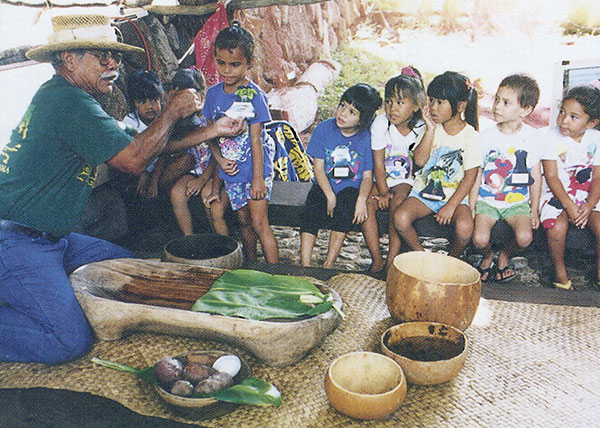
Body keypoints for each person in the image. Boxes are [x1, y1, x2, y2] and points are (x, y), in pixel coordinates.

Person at [0, 14, 243, 364]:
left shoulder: (69, 98)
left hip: (50, 237)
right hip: (16, 240)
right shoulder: (68, 103)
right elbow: (134, 159)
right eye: (101, 56)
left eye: (113, 56)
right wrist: (172, 111)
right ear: (69, 59)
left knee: (127, 269)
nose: (112, 63)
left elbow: (146, 144)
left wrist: (213, 130)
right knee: (69, 341)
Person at [202, 21, 279, 263]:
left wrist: (258, 179)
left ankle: (275, 274)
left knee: (259, 223)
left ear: (249, 64)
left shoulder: (255, 95)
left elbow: (256, 139)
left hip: (255, 171)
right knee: (244, 222)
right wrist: (220, 159)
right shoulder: (213, 95)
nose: (227, 70)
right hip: (232, 173)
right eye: (221, 63)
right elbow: (209, 134)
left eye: (235, 65)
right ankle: (252, 266)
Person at [394, 71, 481, 258]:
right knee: (400, 218)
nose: (433, 107)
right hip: (424, 192)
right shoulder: (431, 129)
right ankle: (423, 256)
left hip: (454, 195)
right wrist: (430, 130)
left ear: (460, 106)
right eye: (431, 100)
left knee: (465, 228)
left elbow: (470, 177)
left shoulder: (470, 136)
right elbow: (419, 161)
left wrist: (450, 206)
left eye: (440, 102)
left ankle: (451, 260)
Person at [299, 83, 382, 268]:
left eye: (352, 112)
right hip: (325, 184)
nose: (343, 113)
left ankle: (329, 263)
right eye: (343, 105)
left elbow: (368, 176)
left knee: (345, 211)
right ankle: (304, 264)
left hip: (351, 187)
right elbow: (318, 168)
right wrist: (329, 195)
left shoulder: (366, 137)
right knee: (311, 209)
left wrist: (362, 199)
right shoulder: (323, 129)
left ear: (363, 120)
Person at [362, 67, 434, 276]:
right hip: (383, 178)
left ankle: (392, 259)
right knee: (367, 204)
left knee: (397, 201)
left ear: (415, 106)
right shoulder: (380, 123)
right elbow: (378, 162)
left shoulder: (421, 126)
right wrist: (382, 191)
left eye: (400, 103)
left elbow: (419, 164)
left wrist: (389, 194)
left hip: (407, 180)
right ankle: (376, 259)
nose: (392, 108)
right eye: (389, 101)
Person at [471, 74, 543, 282]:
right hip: (488, 201)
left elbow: (535, 175)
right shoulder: (486, 136)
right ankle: (488, 255)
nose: (497, 106)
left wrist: (534, 209)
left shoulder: (531, 138)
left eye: (505, 102)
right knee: (479, 239)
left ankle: (505, 255)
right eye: (496, 99)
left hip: (517, 203)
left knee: (525, 237)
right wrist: (472, 203)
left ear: (525, 110)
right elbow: (477, 173)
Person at [540, 85, 600, 290]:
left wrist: (589, 206)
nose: (564, 120)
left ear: (591, 122)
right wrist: (569, 205)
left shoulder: (596, 140)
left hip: (589, 195)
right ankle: (560, 273)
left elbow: (598, 177)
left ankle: (599, 273)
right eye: (562, 112)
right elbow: (552, 176)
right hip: (557, 193)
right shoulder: (551, 138)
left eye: (574, 117)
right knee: (556, 227)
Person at [167, 68, 230, 236]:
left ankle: (218, 241)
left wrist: (203, 179)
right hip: (196, 171)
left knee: (207, 196)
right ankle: (190, 238)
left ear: (201, 94)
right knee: (177, 193)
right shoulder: (179, 120)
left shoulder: (208, 119)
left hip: (215, 172)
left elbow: (218, 155)